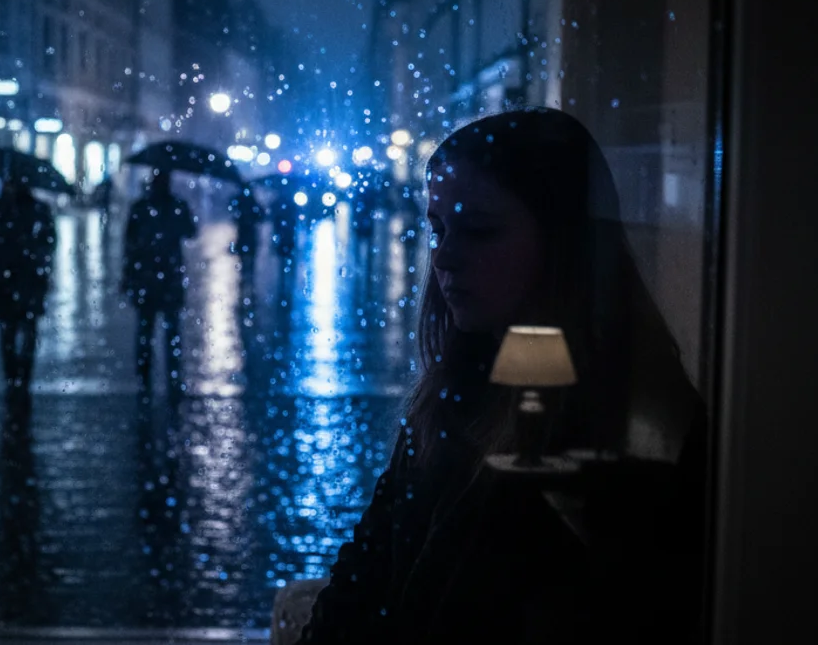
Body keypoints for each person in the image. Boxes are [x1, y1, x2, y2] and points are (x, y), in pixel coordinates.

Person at [299, 108, 707, 643]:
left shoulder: (632, 425)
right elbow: (369, 566)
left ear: (565, 242)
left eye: (479, 231)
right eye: (439, 229)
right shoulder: (459, 386)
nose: (444, 258)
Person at [0, 179, 56, 428]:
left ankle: (14, 381)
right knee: (23, 331)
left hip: (9, 280)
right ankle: (21, 380)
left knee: (10, 332)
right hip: (26, 280)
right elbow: (49, 242)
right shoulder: (36, 209)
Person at [122, 169, 198, 402]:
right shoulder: (171, 206)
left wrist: (127, 275)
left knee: (150, 329)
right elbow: (190, 231)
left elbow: (130, 244)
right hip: (164, 277)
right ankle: (169, 376)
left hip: (151, 277)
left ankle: (147, 377)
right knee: (166, 329)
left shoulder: (142, 207)